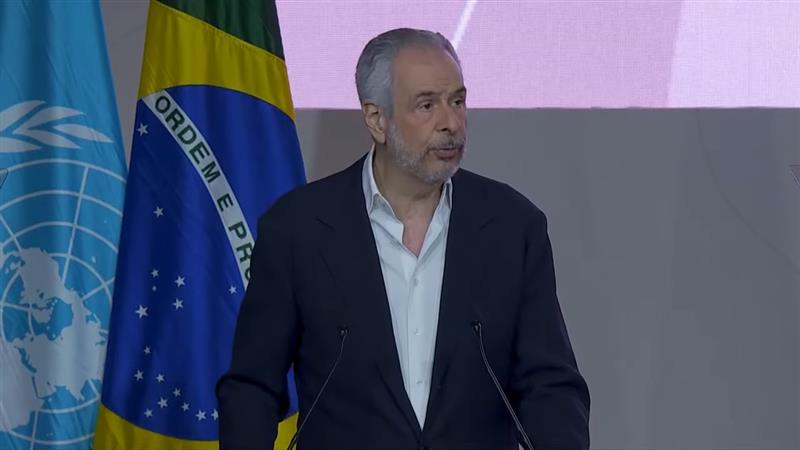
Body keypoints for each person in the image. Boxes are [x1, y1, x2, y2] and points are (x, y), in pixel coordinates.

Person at [216, 28, 590, 450]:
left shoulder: (512, 227)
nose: (451, 123)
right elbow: (251, 389)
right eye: (427, 105)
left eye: (458, 101)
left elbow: (552, 386)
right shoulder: (297, 230)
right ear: (377, 119)